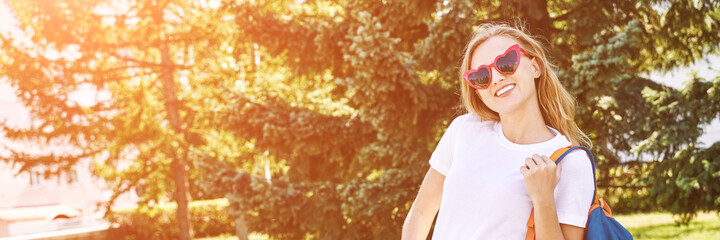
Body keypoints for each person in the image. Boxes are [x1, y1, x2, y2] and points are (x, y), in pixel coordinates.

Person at [401, 23, 596, 240]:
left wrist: (543, 200)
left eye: (506, 63)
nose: (495, 78)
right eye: (481, 76)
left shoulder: (570, 162)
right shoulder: (464, 130)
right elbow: (420, 212)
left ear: (535, 67)